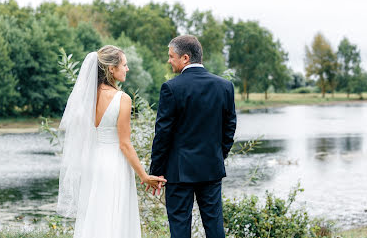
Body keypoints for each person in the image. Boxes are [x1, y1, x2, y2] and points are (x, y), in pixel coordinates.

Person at [57, 45, 166, 238]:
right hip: (114, 164)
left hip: (91, 163)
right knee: (115, 216)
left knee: (94, 216)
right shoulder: (122, 99)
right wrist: (143, 175)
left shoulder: (85, 98)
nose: (127, 69)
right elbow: (124, 144)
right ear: (111, 69)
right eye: (124, 64)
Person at [148, 35, 237, 238]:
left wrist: (157, 171)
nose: (169, 60)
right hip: (211, 167)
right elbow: (229, 128)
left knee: (179, 227)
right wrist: (217, 154)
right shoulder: (224, 86)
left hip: (179, 172)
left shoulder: (171, 88)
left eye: (172, 56)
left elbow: (162, 134)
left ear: (185, 58)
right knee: (214, 226)